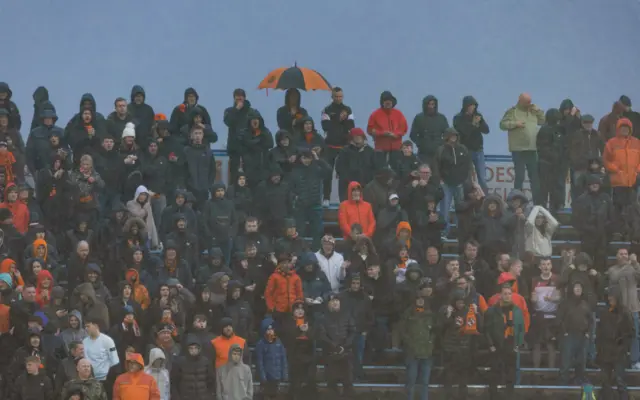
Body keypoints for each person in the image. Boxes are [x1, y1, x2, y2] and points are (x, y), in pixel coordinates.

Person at [499, 93, 545, 204]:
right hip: (518, 149)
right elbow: (502, 125)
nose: (529, 104)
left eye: (530, 101)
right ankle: (517, 204)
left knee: (535, 178)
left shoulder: (533, 111)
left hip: (532, 149)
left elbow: (543, 121)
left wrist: (538, 111)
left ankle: (537, 204)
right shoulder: (512, 111)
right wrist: (515, 123)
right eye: (527, 102)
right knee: (519, 177)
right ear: (520, 101)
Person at [485, 285, 525, 400]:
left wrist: (518, 344)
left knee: (511, 373)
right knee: (495, 372)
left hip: (511, 345)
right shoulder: (492, 310)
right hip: (497, 345)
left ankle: (509, 395)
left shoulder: (517, 310)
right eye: (505, 293)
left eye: (509, 293)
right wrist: (491, 345)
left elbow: (521, 329)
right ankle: (493, 395)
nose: (507, 296)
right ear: (500, 295)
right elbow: (486, 330)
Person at [289, 148, 332, 249]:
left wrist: (318, 159)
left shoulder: (317, 169)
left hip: (315, 205)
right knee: (300, 231)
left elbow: (328, 170)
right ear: (300, 158)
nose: (307, 160)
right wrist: (295, 199)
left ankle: (316, 251)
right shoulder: (295, 171)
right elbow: (290, 188)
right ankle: (301, 251)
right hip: (300, 205)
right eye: (304, 158)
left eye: (309, 158)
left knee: (317, 231)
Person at [603, 118, 640, 231]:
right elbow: (606, 160)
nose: (624, 130)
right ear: (618, 129)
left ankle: (632, 230)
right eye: (622, 128)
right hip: (617, 182)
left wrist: (637, 171)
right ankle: (618, 231)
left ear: (630, 129)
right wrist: (615, 169)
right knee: (617, 208)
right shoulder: (611, 142)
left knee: (632, 207)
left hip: (633, 182)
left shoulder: (636, 142)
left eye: (626, 128)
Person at [434, 127, 471, 237]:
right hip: (446, 183)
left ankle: (461, 232)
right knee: (444, 209)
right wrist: (439, 179)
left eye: (455, 135)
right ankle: (444, 232)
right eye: (451, 136)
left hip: (459, 183)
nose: (453, 138)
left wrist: (466, 179)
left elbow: (468, 165)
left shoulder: (463, 149)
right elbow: (436, 166)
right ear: (447, 137)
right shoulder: (441, 150)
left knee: (461, 209)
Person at [316, 294, 356, 397]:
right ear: (328, 304)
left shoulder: (347, 315)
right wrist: (334, 346)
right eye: (332, 301)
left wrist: (345, 346)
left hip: (346, 353)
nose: (335, 302)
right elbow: (322, 335)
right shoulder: (323, 317)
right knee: (331, 383)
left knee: (348, 382)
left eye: (337, 300)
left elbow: (352, 332)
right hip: (330, 353)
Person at [597, 288, 633, 400]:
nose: (610, 298)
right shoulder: (604, 312)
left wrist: (623, 346)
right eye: (608, 296)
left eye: (612, 296)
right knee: (605, 381)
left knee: (620, 380)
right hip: (605, 352)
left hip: (619, 352)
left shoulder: (625, 312)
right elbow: (599, 332)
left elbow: (631, 332)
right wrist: (599, 348)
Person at [321, 87, 355, 206]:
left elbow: (351, 126)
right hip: (330, 146)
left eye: (340, 96)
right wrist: (338, 118)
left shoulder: (348, 110)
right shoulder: (326, 110)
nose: (338, 98)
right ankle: (326, 197)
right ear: (332, 97)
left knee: (344, 174)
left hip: (344, 147)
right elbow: (326, 126)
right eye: (336, 96)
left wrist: (344, 120)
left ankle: (344, 199)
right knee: (327, 172)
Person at [607, 249, 640, 369]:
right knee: (618, 336)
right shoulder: (612, 270)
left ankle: (635, 360)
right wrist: (629, 266)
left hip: (633, 308)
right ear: (616, 256)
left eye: (626, 254)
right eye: (621, 254)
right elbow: (615, 277)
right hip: (618, 310)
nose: (624, 256)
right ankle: (618, 360)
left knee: (635, 335)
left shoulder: (634, 268)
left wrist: (636, 264)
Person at [453, 95, 490, 193]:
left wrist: (480, 122)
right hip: (465, 151)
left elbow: (486, 130)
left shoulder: (478, 116)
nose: (472, 108)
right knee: (467, 179)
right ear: (465, 106)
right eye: (470, 106)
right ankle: (468, 201)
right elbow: (464, 132)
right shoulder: (458, 118)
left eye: (474, 106)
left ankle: (485, 200)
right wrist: (473, 125)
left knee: (482, 178)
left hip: (478, 150)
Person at [401, 295, 435, 400]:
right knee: (411, 380)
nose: (420, 301)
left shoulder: (430, 315)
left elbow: (434, 331)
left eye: (422, 299)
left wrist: (431, 342)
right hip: (412, 353)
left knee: (425, 382)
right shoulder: (408, 313)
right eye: (418, 299)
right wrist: (409, 343)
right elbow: (402, 330)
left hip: (427, 352)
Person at [530, 257, 560, 368]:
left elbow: (560, 297)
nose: (546, 267)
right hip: (539, 315)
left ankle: (551, 372)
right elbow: (532, 299)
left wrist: (552, 299)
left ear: (551, 266)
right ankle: (536, 372)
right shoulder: (534, 280)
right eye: (543, 264)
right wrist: (533, 301)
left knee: (550, 345)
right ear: (540, 267)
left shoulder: (557, 279)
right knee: (536, 344)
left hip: (552, 316)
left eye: (548, 264)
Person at [334, 127, 377, 203]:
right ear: (351, 138)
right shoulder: (345, 151)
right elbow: (340, 168)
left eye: (360, 136)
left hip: (365, 186)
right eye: (355, 136)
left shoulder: (370, 151)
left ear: (363, 137)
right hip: (348, 186)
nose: (358, 138)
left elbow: (374, 168)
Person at [367, 91, 408, 166]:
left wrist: (396, 134)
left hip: (396, 148)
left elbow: (404, 128)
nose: (388, 102)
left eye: (389, 100)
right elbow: (370, 130)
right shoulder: (375, 114)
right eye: (386, 101)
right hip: (381, 149)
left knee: (397, 170)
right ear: (382, 102)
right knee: (381, 171)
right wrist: (383, 133)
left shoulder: (398, 114)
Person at [171, 334, 216, 400]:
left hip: (203, 397)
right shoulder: (180, 362)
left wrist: (210, 396)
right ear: (187, 349)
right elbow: (174, 382)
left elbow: (211, 381)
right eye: (191, 348)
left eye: (195, 348)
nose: (193, 350)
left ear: (199, 349)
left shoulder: (205, 361)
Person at [410, 95, 449, 165]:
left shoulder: (441, 118)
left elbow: (447, 133)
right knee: (424, 172)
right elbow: (413, 135)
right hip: (423, 153)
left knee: (438, 174)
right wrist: (421, 144)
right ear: (425, 105)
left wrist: (441, 144)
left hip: (439, 152)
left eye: (433, 104)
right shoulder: (419, 118)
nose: (431, 106)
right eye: (429, 104)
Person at [255, 317, 288, 400]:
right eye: (268, 329)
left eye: (272, 329)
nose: (270, 331)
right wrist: (263, 377)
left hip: (276, 377)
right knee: (266, 396)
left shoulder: (279, 343)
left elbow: (283, 359)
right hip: (266, 377)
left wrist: (284, 374)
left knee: (276, 395)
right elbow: (260, 362)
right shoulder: (261, 344)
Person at [82, 317, 119, 383]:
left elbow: (114, 360)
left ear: (96, 326)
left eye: (88, 326)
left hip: (105, 379)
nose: (86, 329)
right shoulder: (84, 341)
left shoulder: (108, 341)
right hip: (89, 379)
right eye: (85, 327)